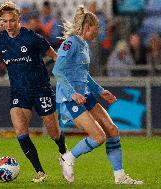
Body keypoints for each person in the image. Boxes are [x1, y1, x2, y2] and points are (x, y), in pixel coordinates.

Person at [0, 1, 67, 182]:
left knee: (54, 133)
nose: (9, 25)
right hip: (19, 92)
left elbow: (54, 56)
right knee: (21, 132)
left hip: (41, 89)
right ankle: (40, 172)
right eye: (5, 22)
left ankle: (63, 152)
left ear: (19, 19)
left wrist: (65, 73)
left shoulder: (32, 38)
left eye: (12, 21)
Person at [52, 6, 143, 184]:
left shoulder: (85, 45)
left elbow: (83, 75)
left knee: (112, 130)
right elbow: (58, 71)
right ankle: (68, 157)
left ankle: (120, 176)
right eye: (97, 27)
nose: (98, 31)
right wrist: (72, 94)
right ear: (87, 27)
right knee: (98, 137)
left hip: (85, 95)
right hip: (70, 99)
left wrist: (100, 91)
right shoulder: (69, 43)